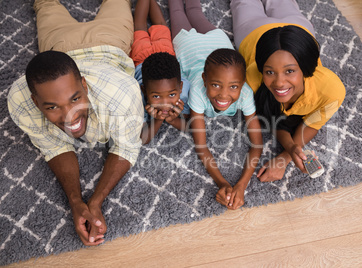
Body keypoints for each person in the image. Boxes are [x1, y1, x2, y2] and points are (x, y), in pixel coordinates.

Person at [7, 0, 143, 246]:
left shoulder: (122, 94)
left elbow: (127, 146)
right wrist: (76, 203)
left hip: (108, 42)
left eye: (75, 99)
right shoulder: (19, 101)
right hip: (61, 45)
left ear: (84, 85)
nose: (69, 116)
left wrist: (96, 202)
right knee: (44, 4)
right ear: (36, 102)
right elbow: (54, 147)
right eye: (52, 106)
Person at [230, 0, 346, 182]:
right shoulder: (251, 82)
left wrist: (286, 156)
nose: (279, 83)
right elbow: (275, 118)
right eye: (269, 72)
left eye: (290, 71)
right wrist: (290, 151)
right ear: (262, 70)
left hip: (295, 31)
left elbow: (312, 124)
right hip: (252, 32)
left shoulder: (332, 90)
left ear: (306, 68)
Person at [168, 0, 263, 210]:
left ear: (243, 84)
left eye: (233, 87)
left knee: (194, 10)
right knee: (176, 9)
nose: (224, 94)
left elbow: (257, 144)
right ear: (204, 79)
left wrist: (241, 185)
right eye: (215, 85)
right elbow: (201, 145)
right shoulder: (198, 91)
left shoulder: (245, 94)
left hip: (219, 42)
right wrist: (222, 182)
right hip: (188, 45)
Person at [129, 0, 190, 144]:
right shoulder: (139, 98)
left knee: (160, 25)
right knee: (140, 27)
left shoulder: (185, 92)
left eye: (172, 94)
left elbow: (190, 127)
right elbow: (142, 139)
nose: (165, 103)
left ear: (180, 87)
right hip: (143, 55)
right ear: (144, 90)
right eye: (156, 96)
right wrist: (158, 120)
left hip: (163, 54)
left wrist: (172, 119)